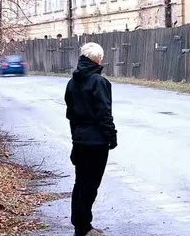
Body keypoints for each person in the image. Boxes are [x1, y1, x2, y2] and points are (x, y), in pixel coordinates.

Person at [65, 42, 118, 236]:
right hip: (96, 142)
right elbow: (104, 113)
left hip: (79, 140)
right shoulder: (99, 82)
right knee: (90, 186)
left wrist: (74, 141)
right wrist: (112, 137)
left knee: (80, 183)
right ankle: (84, 227)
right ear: (98, 59)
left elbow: (70, 115)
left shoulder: (72, 83)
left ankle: (80, 225)